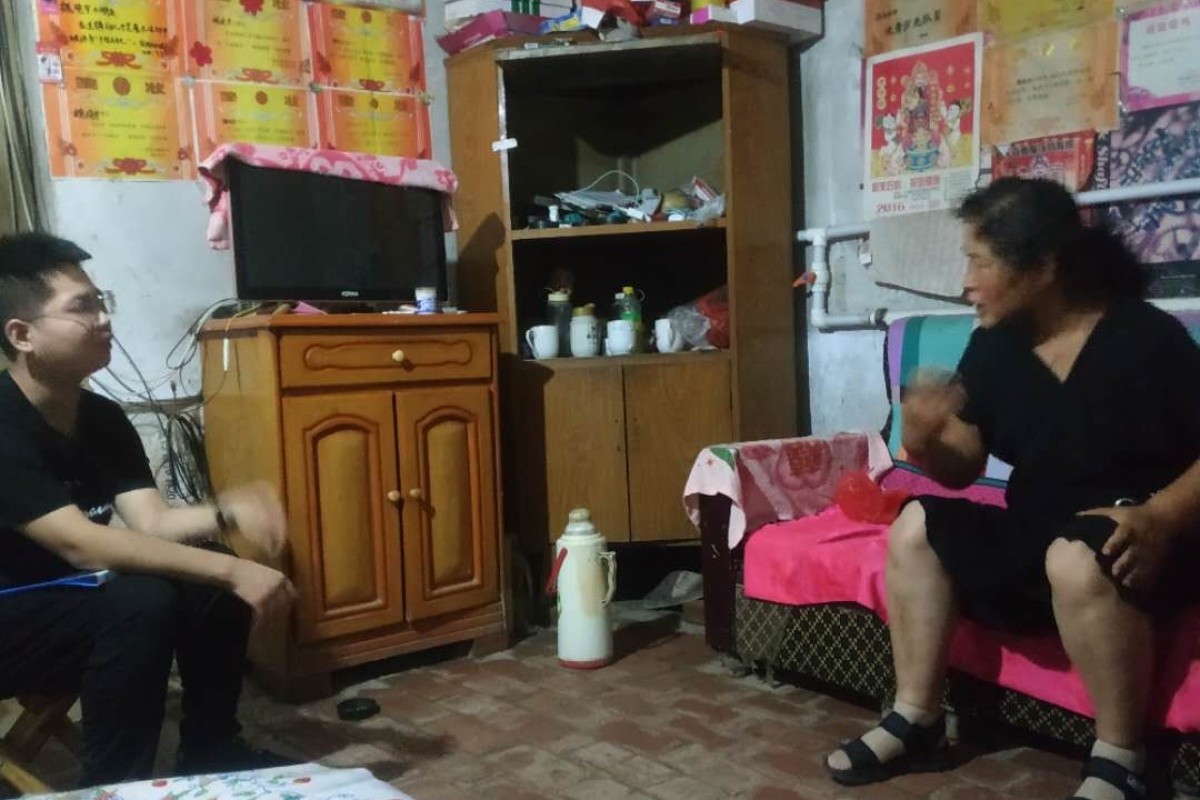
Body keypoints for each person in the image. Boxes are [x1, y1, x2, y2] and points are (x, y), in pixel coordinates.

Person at [825, 178, 1200, 800]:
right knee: (917, 526)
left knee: (1076, 558)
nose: (966, 282)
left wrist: (1161, 516)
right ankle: (917, 717)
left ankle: (1123, 756)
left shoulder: (1145, 338)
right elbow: (963, 469)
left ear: (1043, 266)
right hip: (1040, 531)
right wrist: (923, 439)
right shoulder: (995, 344)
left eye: (980, 262)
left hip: (1141, 540)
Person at [0, 233, 297, 786]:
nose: (104, 319)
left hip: (67, 596)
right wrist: (232, 569)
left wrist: (228, 512)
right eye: (81, 307)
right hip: (10, 613)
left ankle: (212, 749)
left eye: (101, 301)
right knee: (142, 601)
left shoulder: (102, 418)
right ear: (22, 335)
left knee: (204, 586)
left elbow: (153, 523)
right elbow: (81, 544)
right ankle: (116, 787)